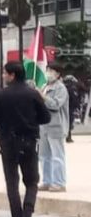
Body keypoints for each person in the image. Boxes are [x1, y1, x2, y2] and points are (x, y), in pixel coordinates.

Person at [0, 62, 50, 217]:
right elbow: (46, 118)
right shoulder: (33, 94)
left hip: (8, 143)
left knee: (12, 182)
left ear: (12, 75)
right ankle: (27, 215)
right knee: (31, 181)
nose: (3, 76)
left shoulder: (1, 95)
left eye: (4, 73)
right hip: (29, 142)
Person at [38, 64, 69, 193]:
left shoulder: (60, 88)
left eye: (51, 71)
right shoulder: (45, 86)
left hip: (56, 126)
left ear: (57, 74)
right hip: (43, 126)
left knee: (57, 156)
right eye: (47, 70)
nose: (48, 73)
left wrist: (43, 97)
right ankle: (47, 181)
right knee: (44, 156)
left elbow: (56, 104)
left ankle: (59, 183)